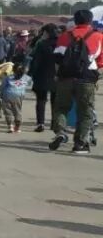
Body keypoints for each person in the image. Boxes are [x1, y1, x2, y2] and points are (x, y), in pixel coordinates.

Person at [48, 9, 103, 155]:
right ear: (90, 21)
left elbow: (57, 58)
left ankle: (60, 131)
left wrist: (58, 75)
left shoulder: (65, 36)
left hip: (65, 78)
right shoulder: (98, 36)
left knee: (61, 108)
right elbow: (101, 61)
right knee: (85, 112)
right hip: (86, 79)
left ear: (75, 21)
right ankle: (80, 143)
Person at [28, 24, 58, 132]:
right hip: (56, 76)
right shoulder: (60, 44)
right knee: (55, 101)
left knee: (41, 100)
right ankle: (54, 123)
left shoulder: (41, 44)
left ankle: (40, 123)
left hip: (41, 75)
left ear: (46, 33)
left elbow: (35, 61)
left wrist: (30, 74)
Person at [0, 63, 32, 133]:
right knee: (17, 111)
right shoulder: (26, 78)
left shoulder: (8, 77)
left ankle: (10, 126)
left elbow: (2, 86)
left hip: (7, 95)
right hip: (19, 96)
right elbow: (30, 83)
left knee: (7, 111)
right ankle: (17, 126)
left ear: (13, 70)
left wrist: (1, 94)